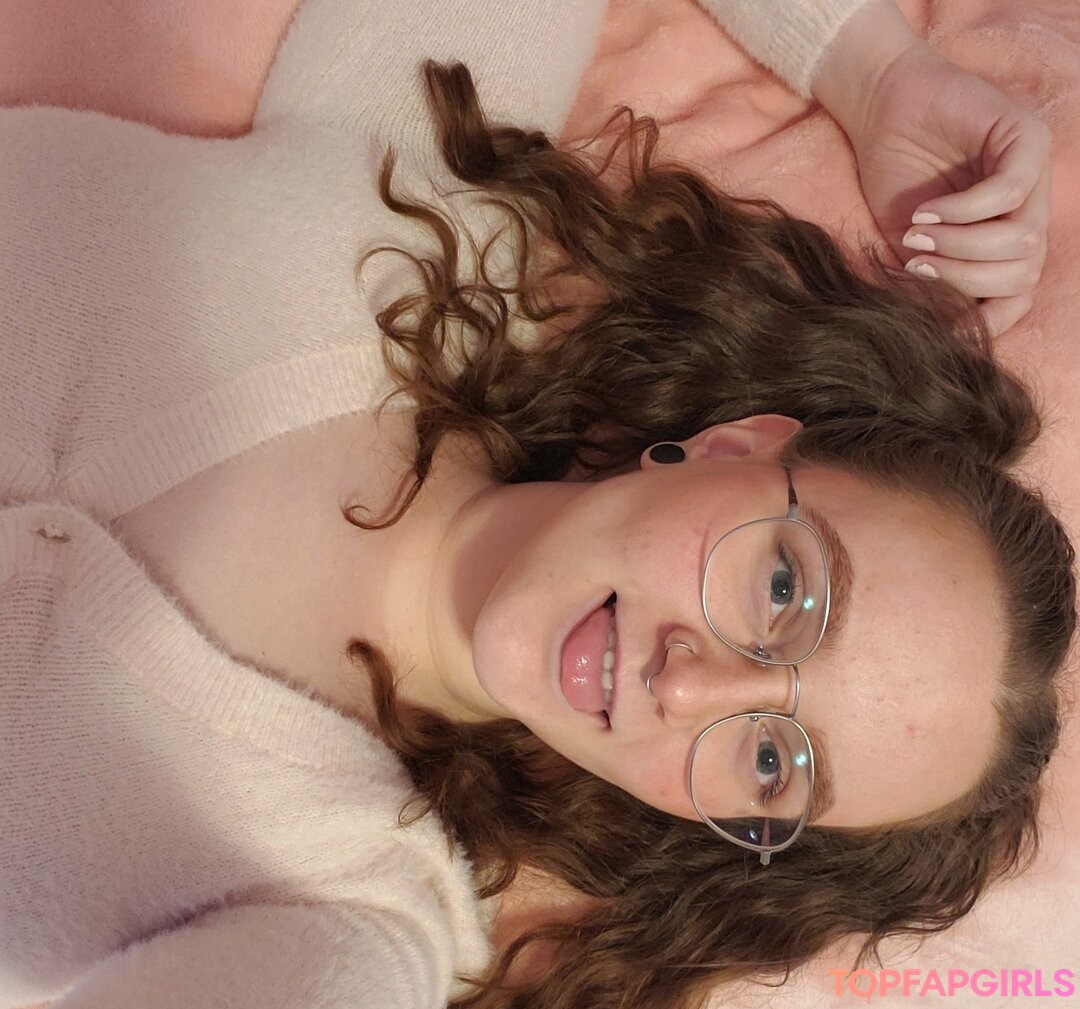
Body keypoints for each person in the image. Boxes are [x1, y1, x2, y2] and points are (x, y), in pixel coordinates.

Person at [0, 2, 1069, 1009]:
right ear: (736, 445)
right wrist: (876, 70)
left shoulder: (352, 902)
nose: (690, 685)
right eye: (785, 589)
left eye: (770, 763)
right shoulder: (419, 210)